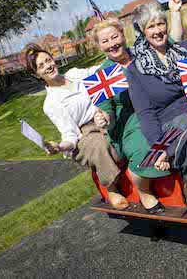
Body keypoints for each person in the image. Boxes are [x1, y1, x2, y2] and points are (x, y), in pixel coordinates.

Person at [90, 0, 183, 213]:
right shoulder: (103, 74)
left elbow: (172, 43)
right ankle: (142, 188)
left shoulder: (141, 54)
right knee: (147, 144)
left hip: (159, 110)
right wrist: (103, 118)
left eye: (115, 37)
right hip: (129, 124)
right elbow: (106, 112)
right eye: (105, 41)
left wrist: (175, 13)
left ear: (124, 35)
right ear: (99, 46)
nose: (112, 44)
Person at [126, 1, 187, 222]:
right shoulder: (136, 70)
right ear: (143, 32)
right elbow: (146, 114)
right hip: (171, 124)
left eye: (161, 23)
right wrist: (158, 147)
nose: (158, 31)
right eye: (151, 27)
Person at [24, 44, 129, 210]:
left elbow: (97, 70)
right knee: (98, 145)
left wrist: (115, 53)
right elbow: (70, 135)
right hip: (86, 132)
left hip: (106, 113)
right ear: (36, 74)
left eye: (48, 60)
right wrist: (59, 147)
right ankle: (112, 186)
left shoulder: (74, 74)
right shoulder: (51, 103)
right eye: (41, 66)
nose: (48, 66)